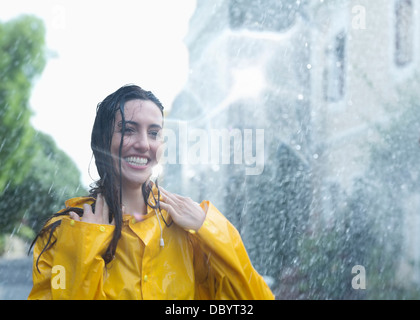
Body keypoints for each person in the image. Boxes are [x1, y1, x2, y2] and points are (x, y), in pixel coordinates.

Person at [28, 84, 274, 300]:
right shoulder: (65, 232)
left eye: (154, 133)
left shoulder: (190, 230)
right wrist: (84, 248)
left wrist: (209, 228)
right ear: (102, 140)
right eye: (128, 130)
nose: (144, 144)